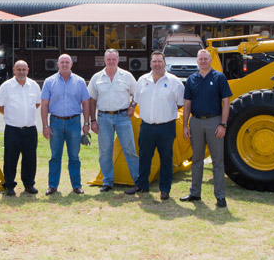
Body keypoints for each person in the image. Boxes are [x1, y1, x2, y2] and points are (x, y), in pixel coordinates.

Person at [126, 51, 184, 200]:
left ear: (164, 63)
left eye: (159, 61)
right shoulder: (142, 80)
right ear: (150, 63)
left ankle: (165, 189)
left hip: (166, 127)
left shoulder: (174, 82)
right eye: (154, 61)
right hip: (146, 126)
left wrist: (165, 112)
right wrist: (131, 107)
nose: (157, 64)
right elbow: (135, 99)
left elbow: (180, 103)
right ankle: (141, 185)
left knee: (166, 159)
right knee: (144, 157)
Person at [181, 49, 232, 208]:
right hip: (196, 122)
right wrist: (185, 125)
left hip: (214, 122)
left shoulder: (219, 77)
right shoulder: (191, 79)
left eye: (206, 59)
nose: (203, 61)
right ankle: (195, 193)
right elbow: (187, 103)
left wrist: (223, 124)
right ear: (197, 61)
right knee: (196, 159)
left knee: (217, 161)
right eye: (200, 59)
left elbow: (226, 102)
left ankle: (220, 196)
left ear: (210, 60)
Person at [88, 49, 139, 192]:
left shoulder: (127, 76)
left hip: (123, 117)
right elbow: (92, 100)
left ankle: (138, 181)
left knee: (130, 150)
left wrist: (132, 106)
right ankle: (108, 181)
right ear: (104, 60)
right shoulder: (96, 78)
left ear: (118, 60)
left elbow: (137, 93)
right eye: (108, 59)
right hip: (104, 118)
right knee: (105, 151)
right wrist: (93, 120)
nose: (111, 62)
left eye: (114, 59)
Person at [40, 54, 91, 195]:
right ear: (57, 64)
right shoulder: (49, 82)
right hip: (55, 123)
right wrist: (45, 126)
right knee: (55, 156)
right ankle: (52, 185)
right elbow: (44, 105)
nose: (64, 64)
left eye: (67, 62)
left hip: (74, 122)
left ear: (71, 64)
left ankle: (76, 185)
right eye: (62, 62)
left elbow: (86, 103)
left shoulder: (80, 82)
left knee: (74, 156)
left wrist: (86, 123)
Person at [0, 60, 41, 196]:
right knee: (10, 158)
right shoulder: (6, 86)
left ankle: (29, 184)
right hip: (12, 129)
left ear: (28, 70)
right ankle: (9, 185)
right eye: (18, 69)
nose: (21, 72)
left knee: (30, 158)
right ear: (14, 70)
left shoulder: (34, 85)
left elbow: (37, 103)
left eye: (24, 69)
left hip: (30, 129)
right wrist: (9, 114)